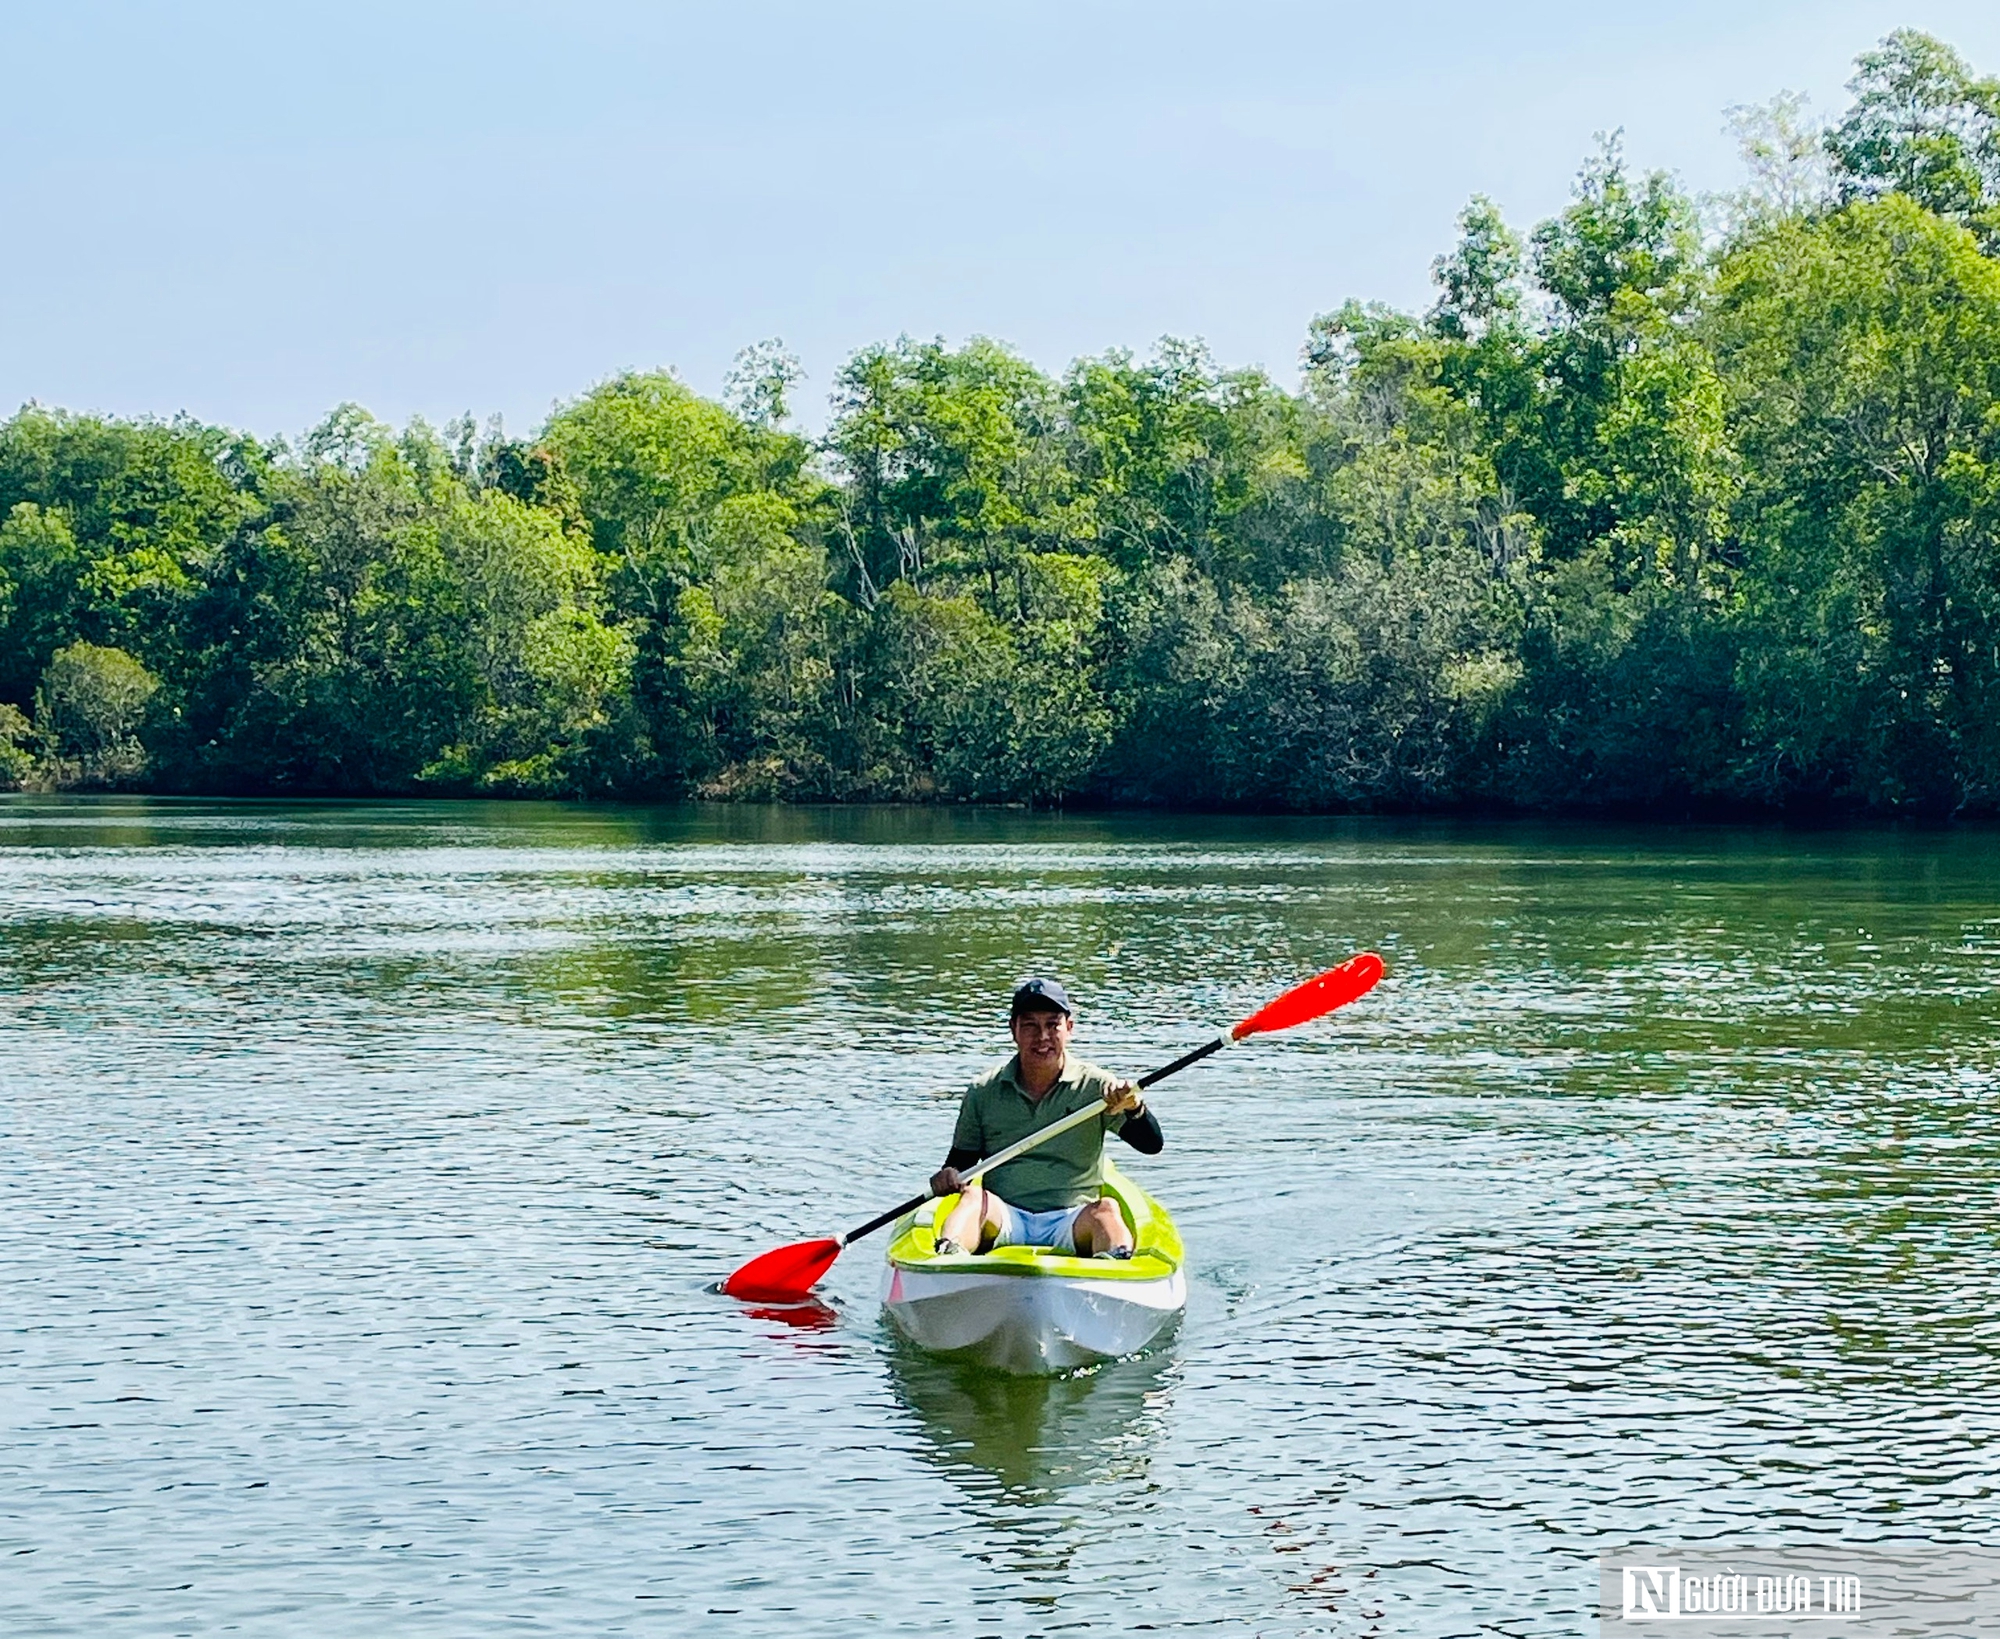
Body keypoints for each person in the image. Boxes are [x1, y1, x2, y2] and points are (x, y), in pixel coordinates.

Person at [929, 976, 1163, 1259]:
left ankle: (1117, 1268)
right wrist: (947, 1176)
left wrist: (1133, 1107)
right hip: (1004, 1214)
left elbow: (1152, 1145)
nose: (1042, 1037)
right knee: (972, 1198)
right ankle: (949, 1260)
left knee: (1107, 1209)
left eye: (1053, 1025)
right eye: (1030, 1026)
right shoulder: (983, 1091)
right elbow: (960, 1164)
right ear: (1013, 1030)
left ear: (1069, 1028)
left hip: (1074, 1219)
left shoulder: (1097, 1087)